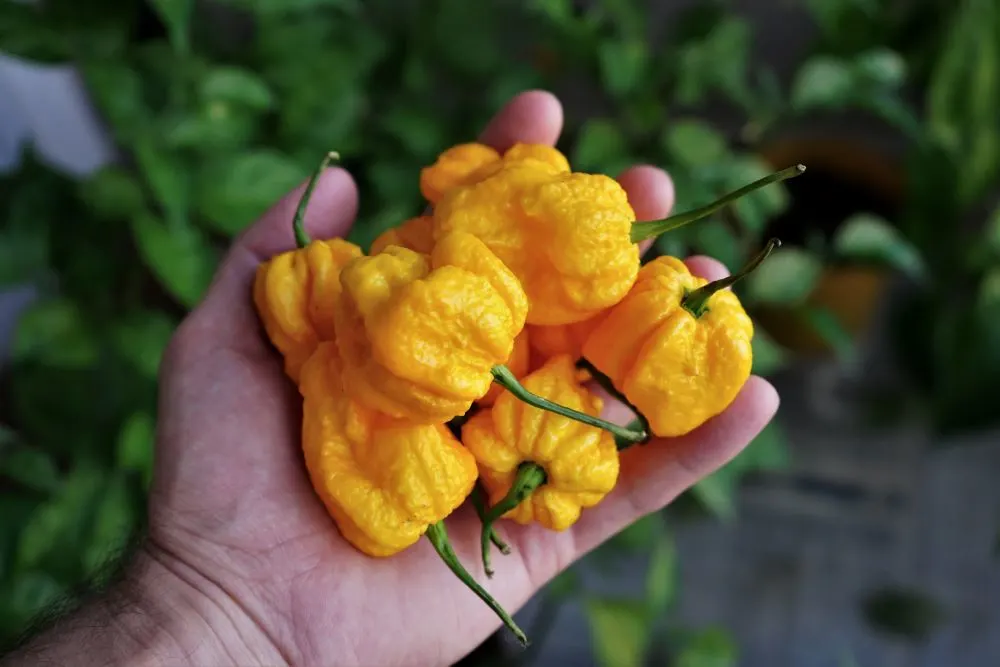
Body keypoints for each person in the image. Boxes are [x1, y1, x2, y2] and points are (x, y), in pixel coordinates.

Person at [0, 91, 778, 667]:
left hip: (477, 362)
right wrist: (221, 600)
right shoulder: (379, 313)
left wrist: (220, 614)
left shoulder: (465, 318)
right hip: (454, 358)